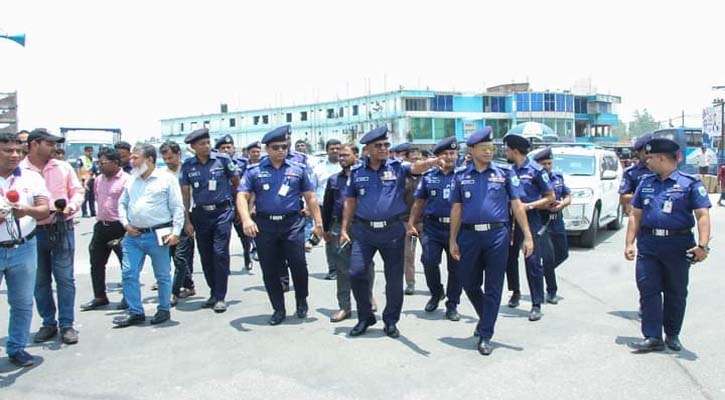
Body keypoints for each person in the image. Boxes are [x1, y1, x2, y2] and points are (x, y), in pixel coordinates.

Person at [340, 126, 437, 338]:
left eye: (386, 145)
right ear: (367, 150)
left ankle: (391, 320)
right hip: (364, 232)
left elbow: (416, 167)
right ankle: (365, 317)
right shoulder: (357, 172)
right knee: (356, 273)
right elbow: (350, 201)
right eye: (379, 146)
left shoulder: (397, 167)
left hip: (392, 231)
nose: (384, 148)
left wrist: (431, 162)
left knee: (394, 279)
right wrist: (345, 229)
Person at [449, 127, 533, 355]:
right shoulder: (461, 176)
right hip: (468, 235)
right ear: (472, 150)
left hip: (497, 235)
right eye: (483, 148)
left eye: (491, 147)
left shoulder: (504, 173)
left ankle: (486, 333)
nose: (488, 151)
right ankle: (486, 316)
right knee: (468, 281)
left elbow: (517, 204)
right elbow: (456, 209)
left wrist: (527, 235)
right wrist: (452, 240)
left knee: (494, 285)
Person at [625, 137, 711, 352]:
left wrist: (703, 246)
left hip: (678, 244)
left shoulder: (689, 183)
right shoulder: (645, 183)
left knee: (676, 291)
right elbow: (635, 215)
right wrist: (629, 243)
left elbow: (702, 215)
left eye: (651, 157)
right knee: (648, 290)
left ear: (662, 158)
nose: (647, 161)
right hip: (649, 244)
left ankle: (672, 334)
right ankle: (653, 336)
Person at [237, 125, 323, 325]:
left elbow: (310, 197)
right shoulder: (254, 171)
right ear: (267, 149)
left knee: (299, 265)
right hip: (265, 226)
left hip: (292, 224)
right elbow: (242, 196)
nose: (280, 151)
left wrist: (318, 223)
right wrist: (246, 219)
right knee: (270, 269)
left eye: (284, 147)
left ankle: (301, 299)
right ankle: (278, 308)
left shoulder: (298, 169)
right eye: (276, 147)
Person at [20, 128, 84, 345]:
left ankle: (67, 325)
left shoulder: (64, 167)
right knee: (40, 281)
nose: (54, 148)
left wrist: (72, 206)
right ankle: (48, 323)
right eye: (50, 144)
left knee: (65, 278)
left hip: (62, 227)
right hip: (31, 232)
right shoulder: (19, 170)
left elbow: (77, 191)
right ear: (35, 144)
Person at [114, 144, 184, 327]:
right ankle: (135, 311)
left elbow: (177, 207)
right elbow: (122, 204)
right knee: (128, 273)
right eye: (131, 158)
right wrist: (125, 224)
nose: (132, 161)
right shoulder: (131, 180)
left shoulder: (166, 179)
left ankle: (163, 309)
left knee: (162, 275)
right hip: (133, 236)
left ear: (150, 159)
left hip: (158, 234)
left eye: (136, 157)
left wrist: (176, 232)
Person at [0, 132, 50, 367]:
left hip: (24, 247)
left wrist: (26, 210)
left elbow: (45, 210)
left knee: (22, 302)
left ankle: (17, 348)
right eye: (8, 150)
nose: (14, 155)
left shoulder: (31, 178)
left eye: (18, 150)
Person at [180, 128, 239, 312]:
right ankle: (213, 292)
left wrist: (238, 208)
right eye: (202, 144)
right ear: (193, 147)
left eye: (208, 142)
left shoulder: (223, 160)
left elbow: (237, 183)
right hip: (200, 214)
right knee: (206, 255)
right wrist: (187, 220)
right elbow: (185, 194)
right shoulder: (188, 165)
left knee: (220, 252)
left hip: (222, 212)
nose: (206, 146)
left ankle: (221, 296)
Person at [406, 136, 462, 321]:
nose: (449, 157)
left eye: (452, 153)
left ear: (457, 155)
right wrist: (412, 223)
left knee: (456, 268)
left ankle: (452, 304)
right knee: (428, 261)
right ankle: (436, 292)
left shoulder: (463, 176)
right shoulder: (429, 177)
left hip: (457, 229)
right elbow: (419, 202)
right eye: (445, 153)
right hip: (433, 227)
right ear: (438, 157)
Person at [503, 133, 555, 321]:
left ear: (515, 150)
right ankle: (515, 291)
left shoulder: (536, 170)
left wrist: (529, 205)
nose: (505, 152)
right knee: (510, 259)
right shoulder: (508, 170)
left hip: (531, 218)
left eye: (507, 149)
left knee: (532, 261)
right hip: (510, 219)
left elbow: (551, 197)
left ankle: (536, 303)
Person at [322, 144, 376, 322]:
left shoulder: (364, 176)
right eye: (339, 156)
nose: (341, 158)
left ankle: (368, 298)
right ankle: (345, 307)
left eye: (345, 155)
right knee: (343, 268)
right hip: (339, 228)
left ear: (356, 155)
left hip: (362, 226)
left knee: (366, 266)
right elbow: (328, 206)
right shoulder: (333, 180)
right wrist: (326, 229)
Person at [80, 148, 129, 311]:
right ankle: (100, 296)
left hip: (120, 227)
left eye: (103, 163)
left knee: (127, 264)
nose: (99, 166)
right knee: (96, 262)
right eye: (98, 162)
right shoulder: (99, 180)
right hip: (101, 226)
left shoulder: (127, 180)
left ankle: (128, 297)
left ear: (116, 163)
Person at [533, 148, 572, 304]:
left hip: (557, 221)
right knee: (548, 257)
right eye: (544, 164)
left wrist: (563, 203)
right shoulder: (534, 180)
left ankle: (538, 273)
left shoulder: (558, 177)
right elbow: (534, 201)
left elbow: (568, 195)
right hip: (542, 221)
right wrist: (546, 206)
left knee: (563, 254)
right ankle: (551, 291)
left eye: (549, 163)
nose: (547, 166)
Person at [160, 141, 196, 306]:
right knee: (170, 255)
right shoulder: (161, 174)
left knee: (181, 257)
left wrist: (188, 221)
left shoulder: (188, 171)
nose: (168, 161)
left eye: (171, 157)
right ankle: (188, 285)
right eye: (165, 158)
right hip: (166, 220)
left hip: (187, 217)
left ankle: (173, 292)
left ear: (179, 155)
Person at [215, 134, 254, 271]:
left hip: (239, 203)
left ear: (233, 148)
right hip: (223, 205)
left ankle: (247, 257)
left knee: (244, 235)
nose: (226, 150)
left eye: (228, 147)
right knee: (224, 238)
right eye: (223, 148)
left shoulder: (242, 163)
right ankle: (225, 265)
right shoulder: (214, 163)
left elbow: (248, 186)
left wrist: (247, 208)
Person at [313, 139, 342, 280]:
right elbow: (312, 189)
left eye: (338, 148)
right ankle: (333, 269)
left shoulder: (347, 166)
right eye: (332, 148)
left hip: (343, 207)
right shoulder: (319, 168)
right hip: (324, 207)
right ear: (327, 150)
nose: (335, 151)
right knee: (329, 238)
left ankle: (345, 267)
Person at [399, 144, 422, 295]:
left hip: (425, 223)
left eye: (420, 159)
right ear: (406, 160)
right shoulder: (401, 178)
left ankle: (435, 286)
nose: (417, 162)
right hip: (408, 224)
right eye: (414, 159)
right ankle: (410, 282)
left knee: (429, 256)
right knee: (410, 254)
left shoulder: (427, 177)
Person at [620, 133, 653, 213]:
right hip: (641, 214)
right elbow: (623, 197)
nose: (650, 154)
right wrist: (645, 196)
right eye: (646, 152)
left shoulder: (663, 169)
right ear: (638, 152)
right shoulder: (631, 172)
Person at [77, 146, 96, 218]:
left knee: (92, 197)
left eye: (91, 151)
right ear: (84, 151)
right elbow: (78, 169)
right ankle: (84, 212)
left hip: (92, 179)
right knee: (85, 197)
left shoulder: (94, 159)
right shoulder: (81, 159)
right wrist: (80, 180)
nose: (90, 152)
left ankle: (93, 211)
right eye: (88, 151)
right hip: (84, 179)